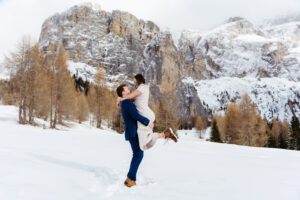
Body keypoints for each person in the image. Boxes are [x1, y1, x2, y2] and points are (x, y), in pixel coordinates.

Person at [118, 74, 177, 151]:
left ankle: (166, 134)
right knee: (146, 137)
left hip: (145, 114)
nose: (134, 83)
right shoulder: (139, 90)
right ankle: (166, 134)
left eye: (134, 81)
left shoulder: (143, 87)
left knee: (143, 142)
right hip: (146, 114)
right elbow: (131, 100)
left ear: (138, 80)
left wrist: (122, 99)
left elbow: (130, 97)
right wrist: (120, 98)